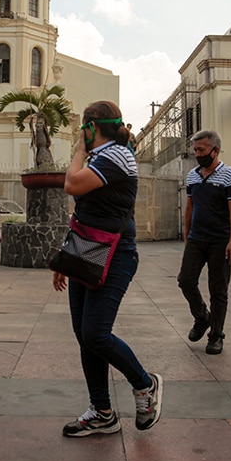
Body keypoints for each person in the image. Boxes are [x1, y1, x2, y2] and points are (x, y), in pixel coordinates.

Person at [54, 100, 162, 437]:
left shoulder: (116, 155)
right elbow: (86, 214)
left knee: (95, 334)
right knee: (85, 338)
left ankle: (145, 385)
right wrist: (66, 257)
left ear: (90, 127)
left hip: (115, 254)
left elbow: (71, 185)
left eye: (82, 128)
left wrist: (77, 151)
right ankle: (102, 411)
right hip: (87, 249)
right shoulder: (104, 156)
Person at [177, 130, 231, 355]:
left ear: (215, 150)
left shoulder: (229, 175)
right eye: (195, 150)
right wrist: (187, 237)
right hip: (197, 239)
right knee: (185, 280)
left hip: (220, 241)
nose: (197, 154)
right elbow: (190, 207)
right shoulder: (193, 176)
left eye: (201, 150)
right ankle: (202, 317)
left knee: (218, 289)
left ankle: (216, 336)